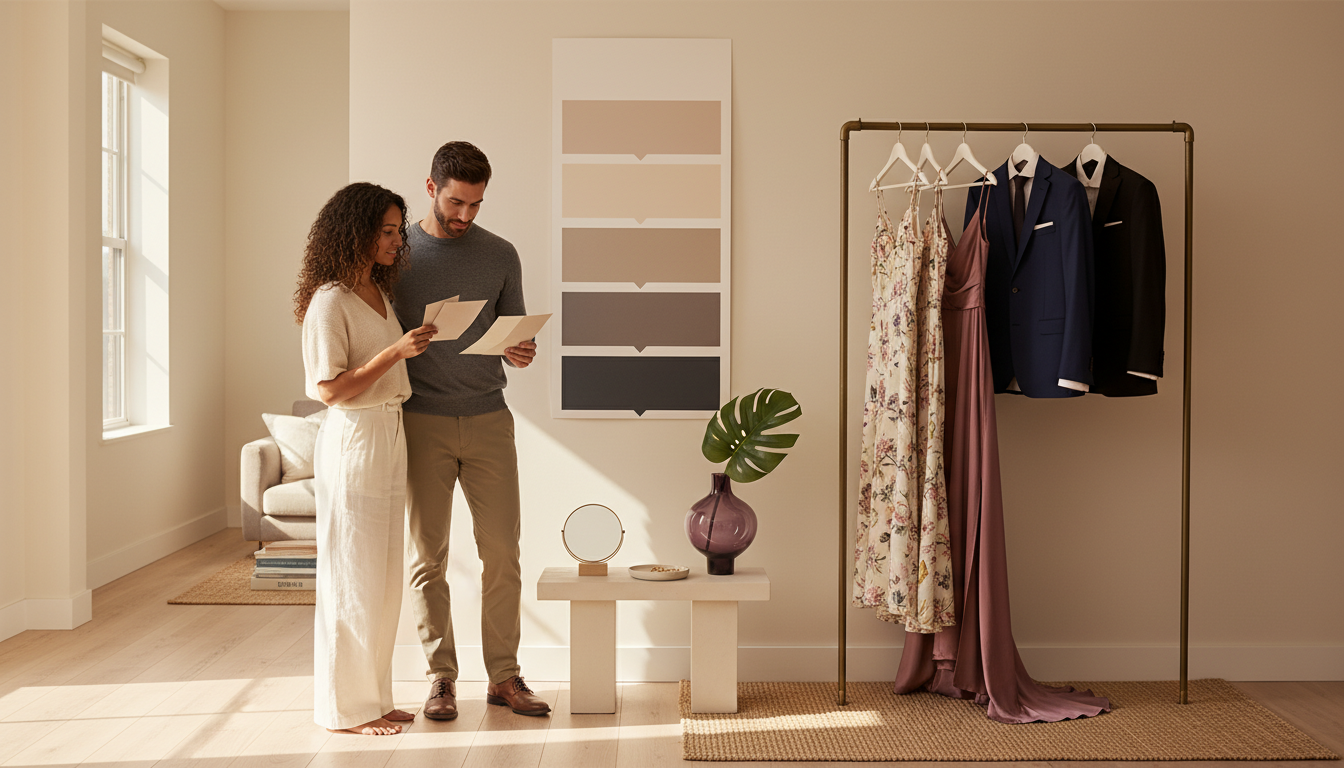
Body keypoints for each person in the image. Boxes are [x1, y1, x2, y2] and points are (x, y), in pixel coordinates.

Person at [391, 141, 548, 719]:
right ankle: (440, 678)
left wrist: (520, 349)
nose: (464, 216)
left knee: (503, 553)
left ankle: (505, 677)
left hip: (488, 417)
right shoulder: (394, 251)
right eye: (456, 202)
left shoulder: (501, 254)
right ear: (430, 187)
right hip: (420, 419)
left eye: (476, 205)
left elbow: (512, 335)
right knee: (426, 558)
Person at [296, 182, 438, 735]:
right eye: (385, 229)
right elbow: (328, 389)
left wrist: (408, 347)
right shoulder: (329, 300)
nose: (396, 239)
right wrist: (396, 351)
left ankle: (374, 698)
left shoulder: (377, 293)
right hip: (354, 438)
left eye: (398, 229)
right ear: (354, 230)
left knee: (380, 578)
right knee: (350, 575)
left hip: (389, 432)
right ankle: (344, 710)